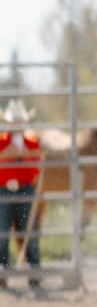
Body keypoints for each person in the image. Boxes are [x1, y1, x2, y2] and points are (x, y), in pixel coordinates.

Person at [0, 99, 43, 290]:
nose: (16, 124)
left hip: (26, 188)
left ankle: (35, 273)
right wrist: (6, 155)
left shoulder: (32, 143)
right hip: (4, 189)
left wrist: (23, 155)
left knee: (30, 232)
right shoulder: (1, 142)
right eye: (14, 121)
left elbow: (36, 170)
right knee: (2, 233)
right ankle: (3, 272)